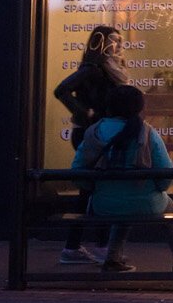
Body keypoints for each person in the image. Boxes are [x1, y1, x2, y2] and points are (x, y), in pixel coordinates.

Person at [75, 83, 173, 274]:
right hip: (146, 203)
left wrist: (95, 188)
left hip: (104, 205)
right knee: (171, 210)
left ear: (109, 106)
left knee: (122, 210)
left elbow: (78, 170)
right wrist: (156, 189)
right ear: (139, 107)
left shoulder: (94, 131)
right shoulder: (147, 132)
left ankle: (112, 259)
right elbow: (166, 174)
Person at [51, 24, 124, 265]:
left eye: (119, 40)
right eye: (113, 40)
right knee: (95, 189)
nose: (118, 45)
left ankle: (78, 246)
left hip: (100, 132)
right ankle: (95, 245)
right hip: (90, 134)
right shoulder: (92, 69)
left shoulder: (110, 69)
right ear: (101, 43)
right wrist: (84, 112)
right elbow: (61, 90)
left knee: (92, 189)